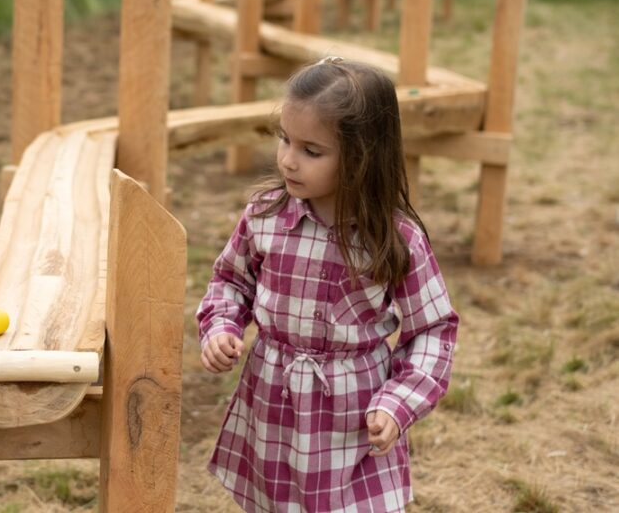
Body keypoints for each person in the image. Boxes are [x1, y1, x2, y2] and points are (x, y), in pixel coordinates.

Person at [196, 57, 459, 512]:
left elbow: (433, 331)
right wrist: (221, 327)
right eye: (284, 138)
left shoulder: (395, 240)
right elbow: (231, 281)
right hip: (272, 402)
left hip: (352, 417)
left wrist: (397, 403)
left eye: (311, 151)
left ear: (361, 158)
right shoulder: (265, 216)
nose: (287, 159)